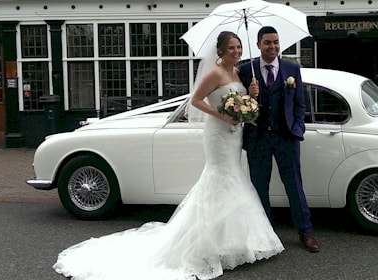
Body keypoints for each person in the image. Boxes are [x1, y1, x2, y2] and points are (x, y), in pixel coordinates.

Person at [52, 31, 284, 280]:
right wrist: (222, 115)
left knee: (234, 177)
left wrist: (251, 97)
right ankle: (210, 243)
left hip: (234, 133)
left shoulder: (237, 73)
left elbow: (238, 101)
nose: (236, 51)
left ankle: (233, 241)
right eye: (231, 48)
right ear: (219, 51)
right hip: (218, 133)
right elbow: (195, 101)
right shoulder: (215, 73)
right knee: (221, 177)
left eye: (238, 47)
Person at [239, 26, 320, 253]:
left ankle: (306, 231)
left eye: (275, 42)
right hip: (258, 137)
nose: (272, 46)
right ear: (258, 45)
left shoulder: (291, 68)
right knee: (259, 188)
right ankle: (265, 234)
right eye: (267, 42)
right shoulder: (247, 70)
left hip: (286, 137)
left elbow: (300, 103)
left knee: (294, 186)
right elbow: (238, 103)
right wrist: (250, 94)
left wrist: (297, 129)